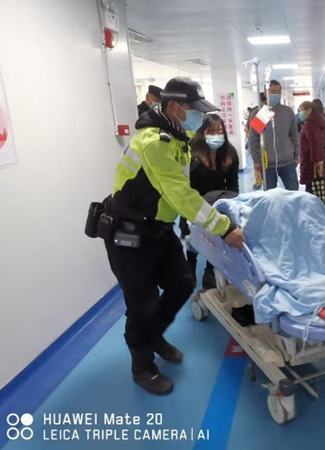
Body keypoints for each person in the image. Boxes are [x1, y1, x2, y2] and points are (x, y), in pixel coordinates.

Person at [104, 77, 245, 395]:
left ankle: (152, 334)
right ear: (174, 107)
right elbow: (181, 195)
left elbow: (187, 183)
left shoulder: (178, 138)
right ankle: (142, 366)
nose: (198, 116)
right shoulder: (155, 143)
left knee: (182, 283)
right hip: (128, 233)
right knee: (142, 303)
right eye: (193, 109)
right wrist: (224, 227)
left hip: (158, 228)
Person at [179, 114, 239, 289]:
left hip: (218, 203)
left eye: (220, 131)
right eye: (211, 132)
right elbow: (185, 186)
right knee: (193, 240)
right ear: (203, 132)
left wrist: (232, 205)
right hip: (194, 203)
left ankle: (209, 271)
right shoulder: (192, 153)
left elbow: (233, 185)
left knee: (215, 240)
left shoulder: (229, 153)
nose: (216, 136)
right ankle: (190, 265)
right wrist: (188, 213)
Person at [249, 80, 300, 191]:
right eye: (273, 91)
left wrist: (297, 155)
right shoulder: (261, 113)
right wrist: (256, 160)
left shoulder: (287, 112)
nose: (276, 94)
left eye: (278, 92)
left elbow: (294, 135)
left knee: (294, 193)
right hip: (268, 165)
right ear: (265, 93)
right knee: (270, 196)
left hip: (288, 162)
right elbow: (254, 139)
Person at [298, 101, 325, 193]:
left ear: (309, 110)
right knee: (319, 189)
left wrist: (315, 161)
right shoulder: (320, 120)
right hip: (322, 159)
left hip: (311, 163)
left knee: (311, 190)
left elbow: (314, 142)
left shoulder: (309, 124)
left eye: (302, 110)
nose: (300, 113)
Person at [247, 93, 267, 190]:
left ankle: (259, 182)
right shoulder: (263, 112)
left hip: (263, 152)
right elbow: (254, 136)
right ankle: (259, 182)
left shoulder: (259, 111)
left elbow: (253, 135)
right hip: (265, 152)